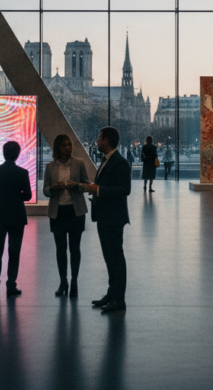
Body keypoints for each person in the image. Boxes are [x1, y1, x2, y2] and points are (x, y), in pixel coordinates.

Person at [86, 126, 131, 314]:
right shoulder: (110, 160)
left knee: (115, 259)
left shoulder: (119, 162)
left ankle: (118, 299)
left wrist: (98, 190)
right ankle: (112, 294)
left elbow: (124, 190)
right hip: (106, 216)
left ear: (107, 140)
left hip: (112, 218)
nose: (97, 141)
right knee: (110, 258)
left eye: (99, 137)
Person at [43, 134, 90, 298]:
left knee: (75, 248)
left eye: (69, 145)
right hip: (58, 212)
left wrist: (76, 185)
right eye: (64, 145)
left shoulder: (79, 164)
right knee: (60, 249)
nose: (68, 148)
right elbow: (45, 190)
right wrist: (53, 188)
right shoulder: (50, 167)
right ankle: (63, 281)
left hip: (75, 211)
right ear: (58, 148)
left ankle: (74, 281)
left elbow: (87, 185)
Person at [0, 141, 33, 296]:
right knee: (14, 252)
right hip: (17, 216)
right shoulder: (22, 173)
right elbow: (27, 195)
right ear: (18, 154)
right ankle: (11, 285)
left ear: (3, 153)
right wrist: (15, 195)